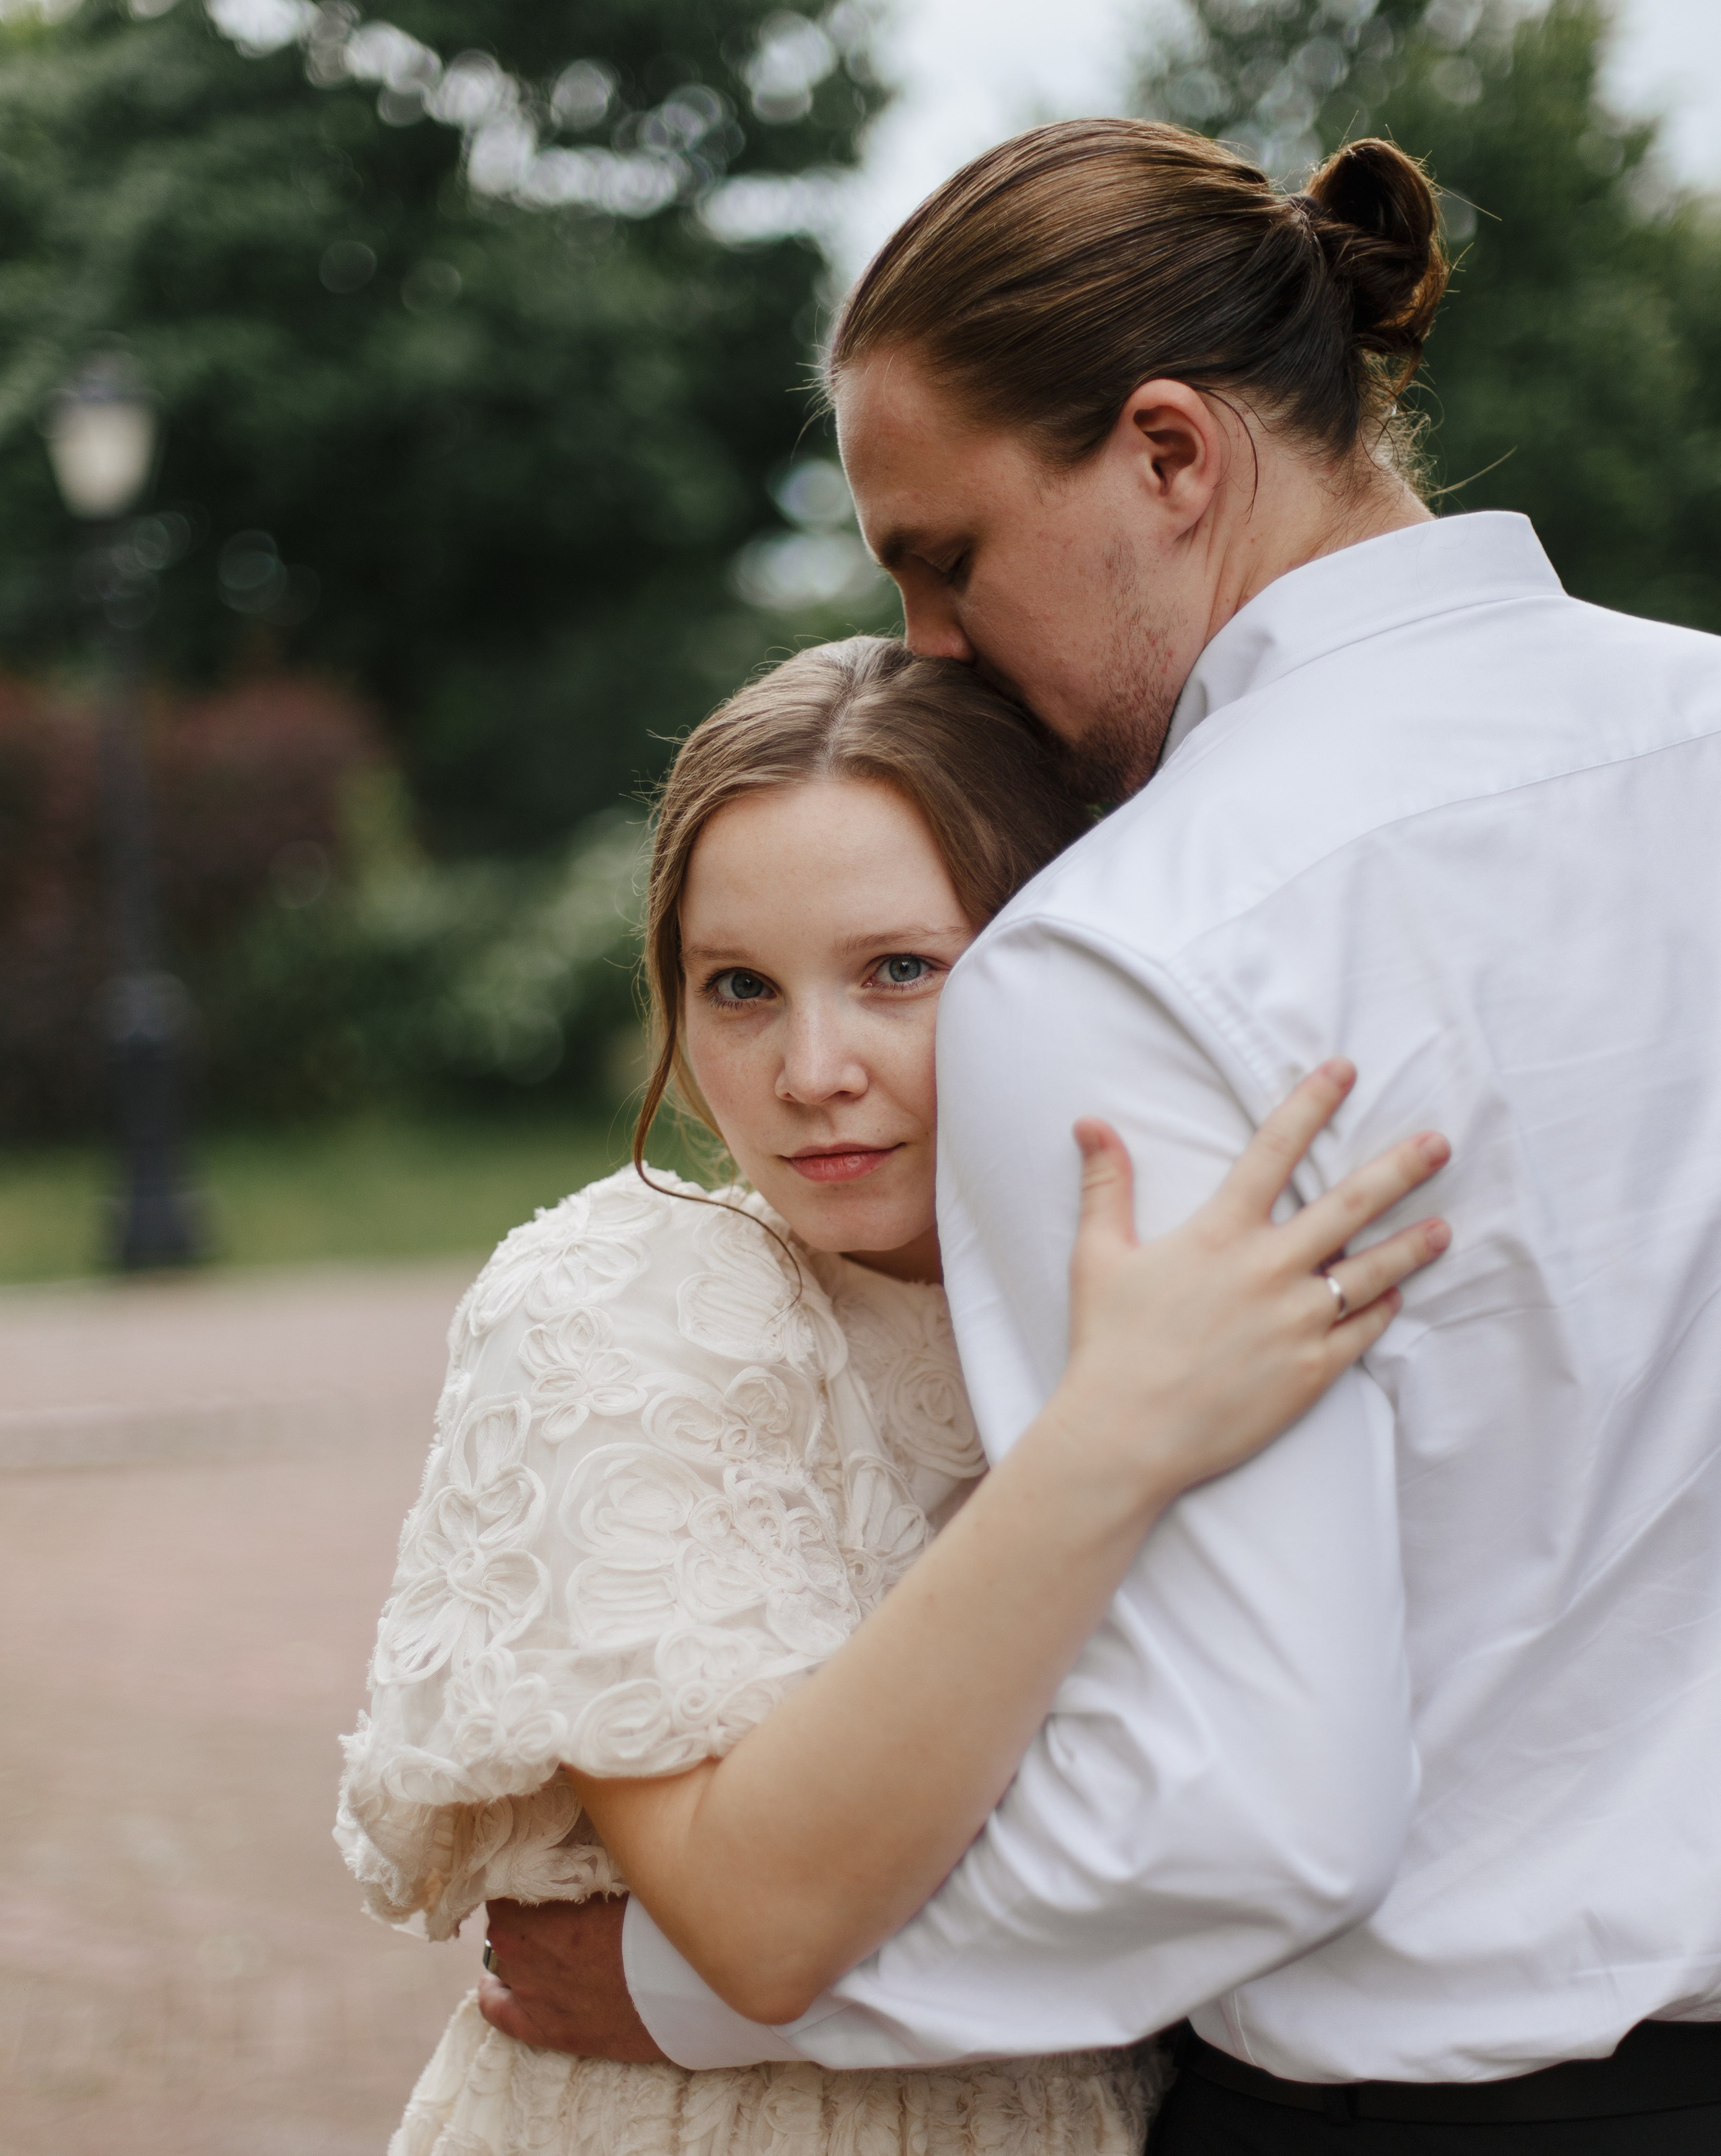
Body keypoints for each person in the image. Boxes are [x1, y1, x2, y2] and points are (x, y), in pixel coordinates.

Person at [485, 122, 1721, 2153]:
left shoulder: (1129, 949)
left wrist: (692, 1991)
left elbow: (1246, 1816)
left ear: (1168, 456)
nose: (928, 647)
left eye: (946, 559)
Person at [338, 635, 1449, 2155]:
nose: (812, 1069)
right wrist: (1107, 1440)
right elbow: (758, 1923)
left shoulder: (1162, 1279)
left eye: (900, 972)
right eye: (739, 988)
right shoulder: (624, 1299)